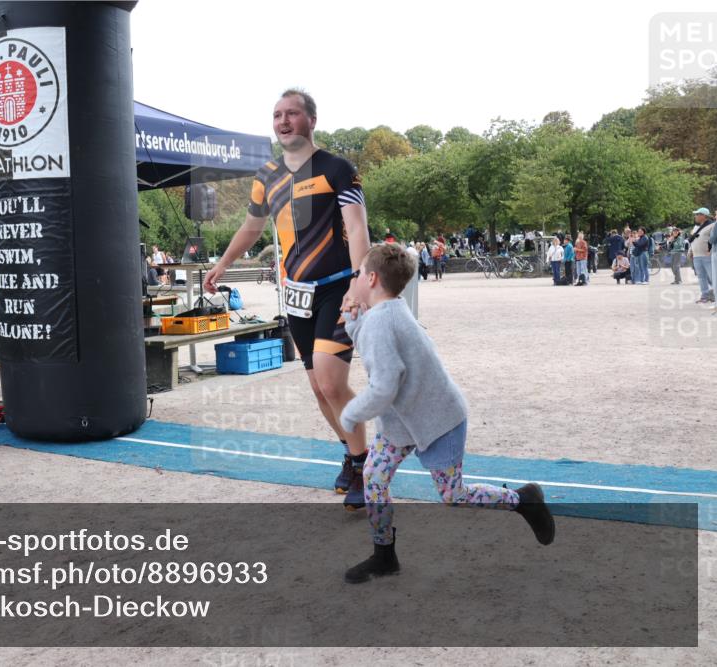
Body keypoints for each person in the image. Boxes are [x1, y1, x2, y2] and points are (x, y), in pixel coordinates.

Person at [338, 244, 554, 583]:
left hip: (437, 420)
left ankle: (523, 499)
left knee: (454, 495)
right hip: (403, 422)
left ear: (372, 278)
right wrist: (353, 319)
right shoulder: (388, 309)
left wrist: (351, 414)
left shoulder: (383, 319)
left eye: (358, 273)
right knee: (374, 479)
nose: (354, 279)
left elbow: (383, 387)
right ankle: (384, 555)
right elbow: (372, 341)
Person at [204, 89, 372, 509]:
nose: (282, 121)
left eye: (292, 113)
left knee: (333, 381)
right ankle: (351, 455)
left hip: (336, 286)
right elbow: (251, 227)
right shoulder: (267, 176)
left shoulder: (337, 168)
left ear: (310, 120)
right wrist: (222, 263)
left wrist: (357, 282)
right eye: (277, 114)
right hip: (296, 294)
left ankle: (365, 462)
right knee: (318, 387)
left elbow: (357, 227)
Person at [687, 208, 715, 303]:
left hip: (707, 255)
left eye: (697, 214)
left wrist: (710, 250)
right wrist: (691, 251)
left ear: (703, 215)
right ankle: (705, 296)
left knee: (713, 277)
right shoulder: (697, 227)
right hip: (697, 256)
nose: (695, 216)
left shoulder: (712, 225)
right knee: (701, 277)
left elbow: (714, 239)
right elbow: (694, 240)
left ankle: (715, 295)